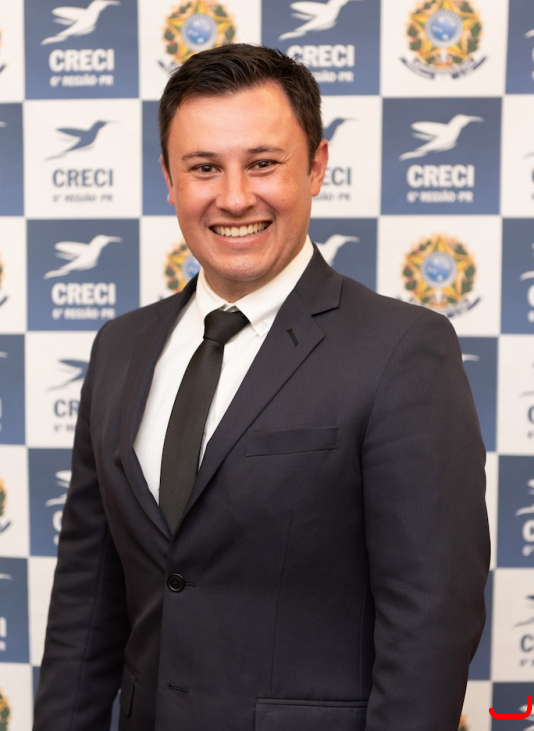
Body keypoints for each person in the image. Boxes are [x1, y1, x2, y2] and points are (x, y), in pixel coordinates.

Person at [33, 44, 489, 731]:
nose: (235, 197)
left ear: (317, 167)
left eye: (263, 163)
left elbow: (432, 618)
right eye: (204, 167)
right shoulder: (120, 348)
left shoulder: (402, 350)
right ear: (169, 180)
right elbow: (85, 598)